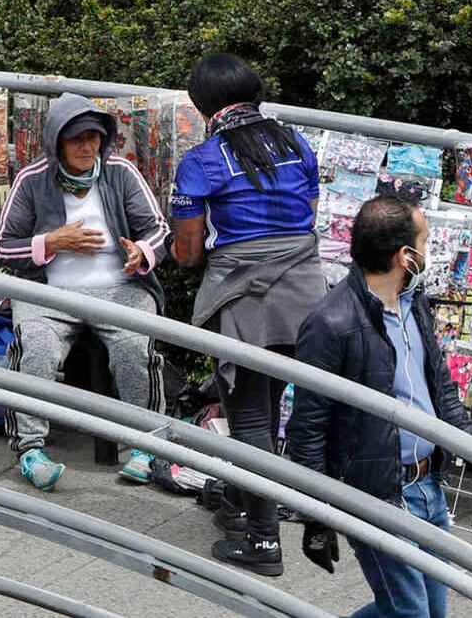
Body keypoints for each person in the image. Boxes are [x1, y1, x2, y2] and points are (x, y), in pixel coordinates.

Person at [288, 196, 472, 617]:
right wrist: (316, 515)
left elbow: (438, 385)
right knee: (410, 614)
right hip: (377, 494)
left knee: (426, 613)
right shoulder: (331, 322)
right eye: (425, 241)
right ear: (406, 256)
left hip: (427, 487)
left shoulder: (414, 302)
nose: (429, 249)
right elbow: (307, 426)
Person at [169, 53, 326, 577]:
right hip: (305, 292)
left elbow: (188, 252)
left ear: (202, 105)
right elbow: (307, 217)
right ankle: (241, 499)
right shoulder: (297, 145)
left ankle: (262, 539)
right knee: (270, 403)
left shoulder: (202, 160)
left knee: (250, 417)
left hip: (243, 296)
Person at [0, 92, 170, 491]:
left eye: (93, 137)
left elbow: (158, 229)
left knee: (134, 349)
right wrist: (50, 242)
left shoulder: (121, 172)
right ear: (57, 142)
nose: (87, 146)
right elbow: (2, 246)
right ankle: (29, 450)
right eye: (76, 139)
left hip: (121, 288)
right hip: (50, 295)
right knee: (35, 346)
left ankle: (148, 447)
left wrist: (141, 253)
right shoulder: (32, 179)